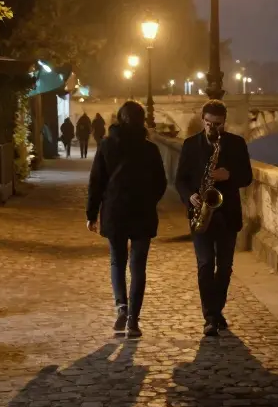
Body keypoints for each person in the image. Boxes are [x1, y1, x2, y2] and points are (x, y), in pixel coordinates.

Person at [86, 101, 167, 339]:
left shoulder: (107, 145)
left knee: (117, 262)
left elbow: (96, 182)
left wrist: (91, 214)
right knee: (138, 266)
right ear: (142, 121)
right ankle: (133, 321)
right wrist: (149, 200)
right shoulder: (149, 149)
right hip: (142, 213)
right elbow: (161, 183)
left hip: (115, 212)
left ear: (119, 119)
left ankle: (121, 306)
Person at [174, 100, 253, 336]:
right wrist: (190, 196)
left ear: (224, 123)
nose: (212, 128)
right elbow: (180, 179)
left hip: (227, 214)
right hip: (201, 214)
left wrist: (229, 175)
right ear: (202, 119)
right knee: (206, 264)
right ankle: (210, 316)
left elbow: (247, 177)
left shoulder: (236, 144)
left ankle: (216, 310)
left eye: (217, 124)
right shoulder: (190, 145)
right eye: (208, 123)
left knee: (225, 267)